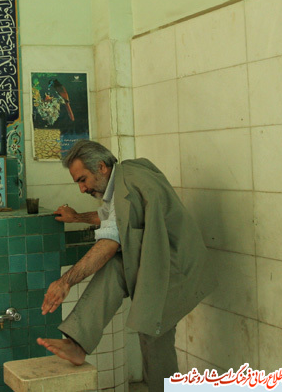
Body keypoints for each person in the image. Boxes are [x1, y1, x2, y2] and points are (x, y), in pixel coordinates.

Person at [36, 141, 217, 392]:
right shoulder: (124, 175)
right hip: (161, 260)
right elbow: (113, 216)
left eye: (83, 180)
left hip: (175, 268)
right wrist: (77, 217)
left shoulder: (128, 187)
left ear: (101, 167)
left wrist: (65, 281)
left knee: (153, 334)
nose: (82, 188)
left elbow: (109, 244)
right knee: (115, 271)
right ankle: (78, 342)